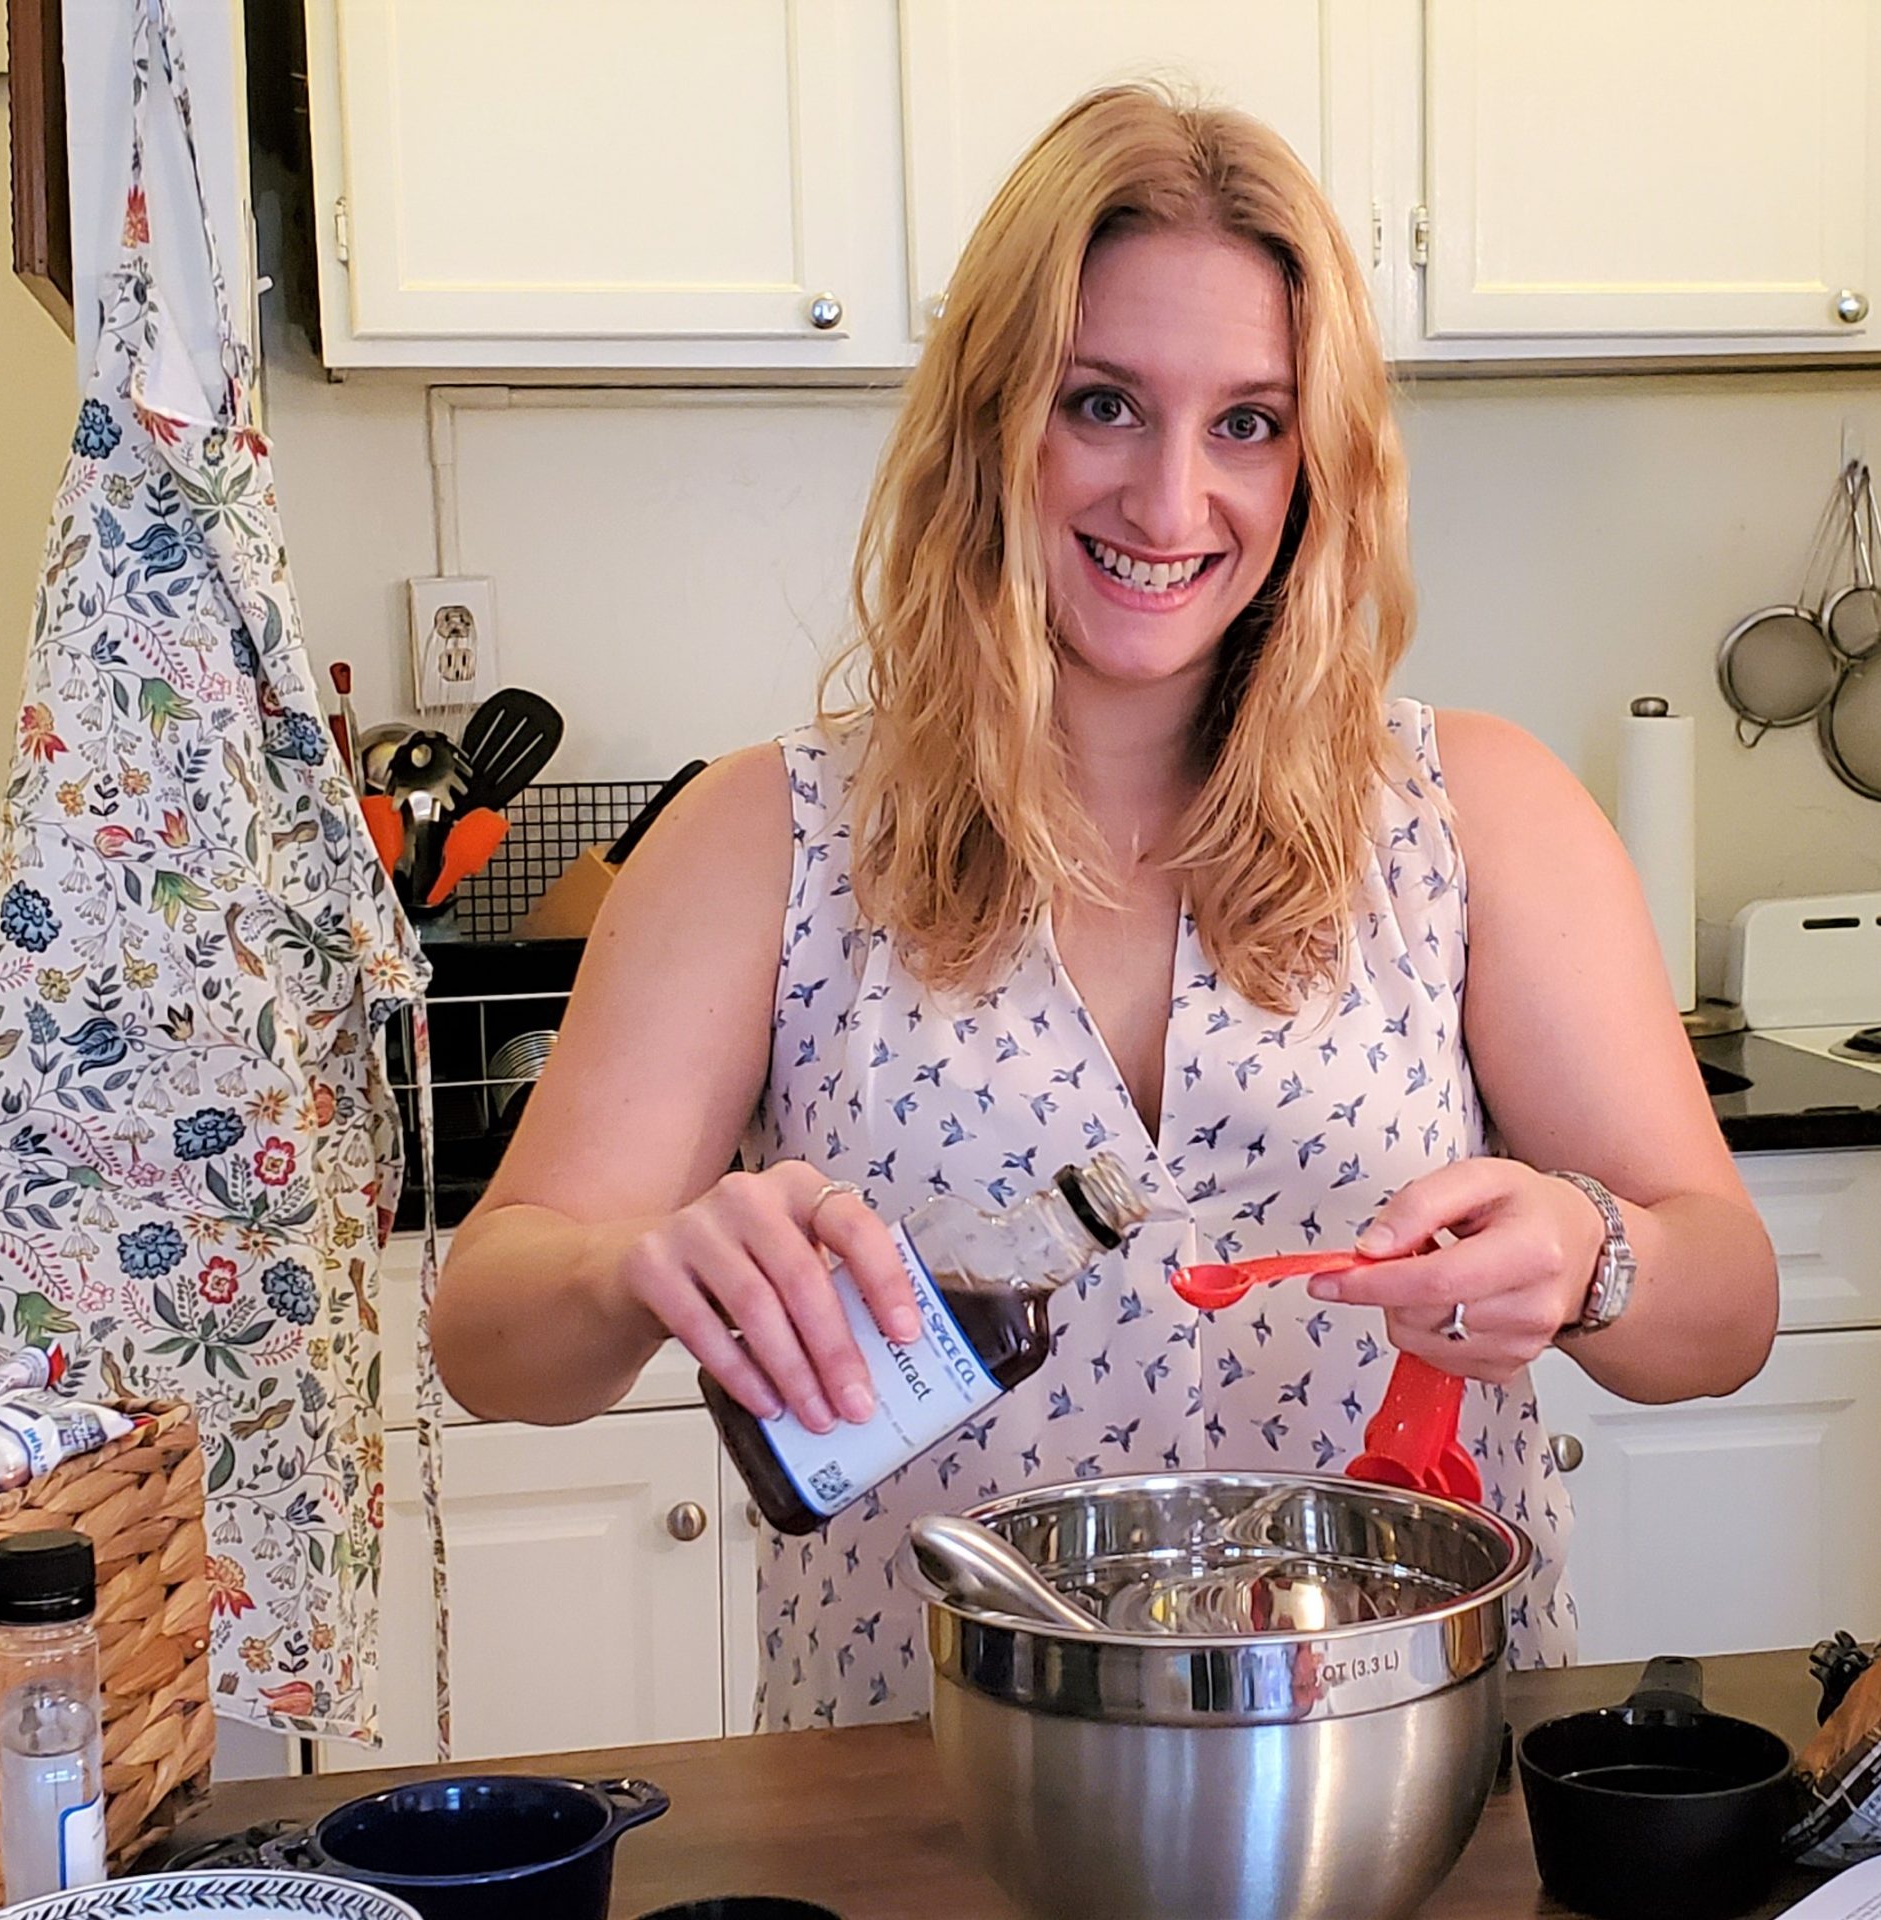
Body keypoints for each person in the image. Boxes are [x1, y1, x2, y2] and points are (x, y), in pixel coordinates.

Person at [432, 86, 1779, 1729]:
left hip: (1397, 1784)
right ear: (995, 419)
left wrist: (1592, 1259)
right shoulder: (758, 839)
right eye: (1102, 404)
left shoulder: (1477, 814)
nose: (1168, 503)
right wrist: (640, 1266)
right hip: (928, 1797)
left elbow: (1725, 1307)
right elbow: (489, 1339)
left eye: (1249, 423)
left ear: (1320, 460)